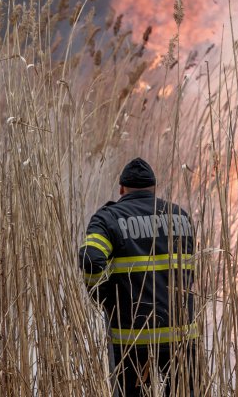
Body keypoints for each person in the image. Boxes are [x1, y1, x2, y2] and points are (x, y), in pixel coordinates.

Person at [79, 158, 196, 396]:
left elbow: (91, 260)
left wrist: (103, 296)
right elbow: (189, 272)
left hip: (132, 339)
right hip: (182, 336)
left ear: (121, 189)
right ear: (154, 188)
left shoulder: (108, 219)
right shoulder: (181, 217)